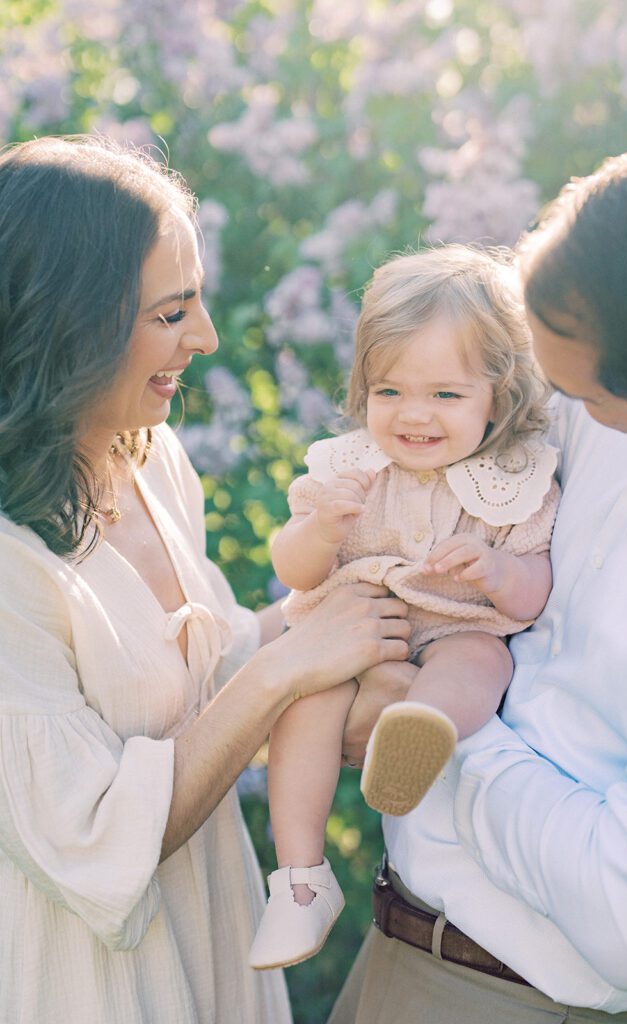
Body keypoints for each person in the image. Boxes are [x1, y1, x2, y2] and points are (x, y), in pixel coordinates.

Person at [0, 135, 412, 1024]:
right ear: (62, 322)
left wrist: (358, 605)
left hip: (213, 923)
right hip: (68, 979)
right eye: (170, 313)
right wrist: (292, 664)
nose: (207, 338)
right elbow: (90, 837)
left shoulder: (150, 457)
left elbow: (216, 672)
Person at [328, 126, 627, 1024]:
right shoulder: (595, 409)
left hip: (526, 1003)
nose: (545, 397)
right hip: (400, 949)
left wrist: (434, 721)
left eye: (573, 382)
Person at [249, 246, 560, 972]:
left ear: (499, 394)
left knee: (480, 660)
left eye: (447, 396)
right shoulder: (347, 468)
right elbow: (291, 568)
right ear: (364, 388)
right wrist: (319, 531)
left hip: (456, 626)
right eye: (390, 392)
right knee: (307, 699)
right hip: (352, 633)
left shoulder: (512, 482)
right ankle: (300, 879)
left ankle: (422, 730)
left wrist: (500, 570)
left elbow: (536, 588)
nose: (414, 416)